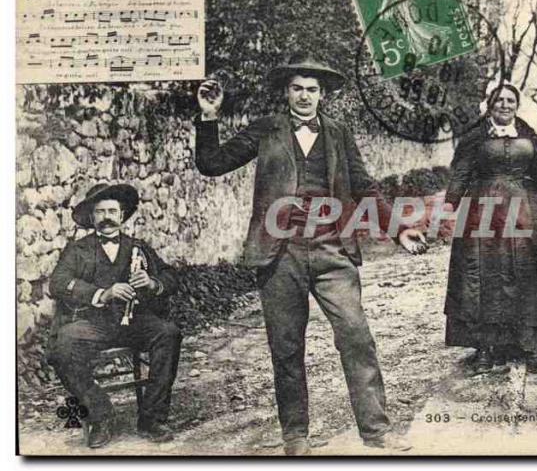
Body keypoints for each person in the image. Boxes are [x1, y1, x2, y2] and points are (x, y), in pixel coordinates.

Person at [194, 55, 428, 455]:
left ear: (323, 95)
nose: (305, 96)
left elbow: (364, 188)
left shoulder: (338, 133)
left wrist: (398, 229)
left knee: (356, 336)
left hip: (332, 249)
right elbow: (211, 164)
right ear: (287, 93)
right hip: (279, 254)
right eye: (297, 88)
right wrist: (209, 116)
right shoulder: (266, 129)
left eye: (312, 90)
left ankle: (376, 430)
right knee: (286, 347)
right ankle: (295, 436)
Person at [443, 83, 537, 378]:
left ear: (517, 104)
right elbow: (461, 174)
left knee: (527, 273)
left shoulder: (529, 136)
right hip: (483, 211)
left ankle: (532, 346)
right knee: (483, 276)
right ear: (489, 104)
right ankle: (486, 348)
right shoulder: (474, 136)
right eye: (498, 99)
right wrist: (449, 206)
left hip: (525, 211)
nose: (504, 104)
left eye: (510, 100)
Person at [47, 183, 182, 448]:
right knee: (61, 347)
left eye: (112, 211)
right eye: (100, 212)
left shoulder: (138, 247)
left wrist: (152, 283)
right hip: (92, 323)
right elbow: (58, 283)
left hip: (135, 322)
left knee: (169, 334)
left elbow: (171, 277)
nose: (106, 217)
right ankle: (100, 414)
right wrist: (102, 293)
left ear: (121, 215)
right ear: (92, 217)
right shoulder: (77, 249)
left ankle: (152, 418)